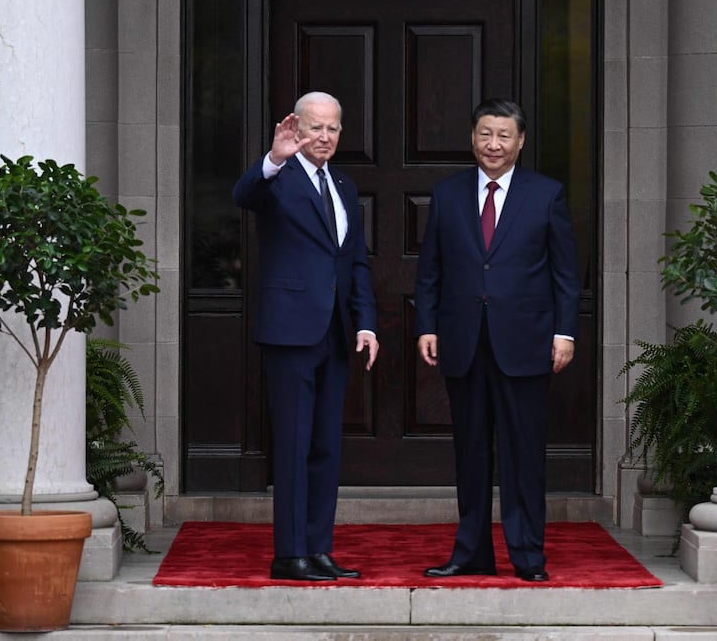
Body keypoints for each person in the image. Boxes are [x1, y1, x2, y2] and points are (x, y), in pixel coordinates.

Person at [414, 98, 580, 582]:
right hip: (463, 343)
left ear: (520, 141)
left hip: (526, 343)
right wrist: (427, 325)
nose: (493, 144)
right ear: (472, 137)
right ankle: (471, 552)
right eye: (485, 134)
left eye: (504, 136)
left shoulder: (546, 194)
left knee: (523, 454)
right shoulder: (447, 194)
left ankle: (527, 556)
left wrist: (564, 332)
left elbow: (565, 274)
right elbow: (431, 271)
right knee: (470, 453)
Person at [232, 91, 379, 581]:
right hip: (290, 331)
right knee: (293, 445)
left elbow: (354, 261)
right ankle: (288, 554)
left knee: (324, 447)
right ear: (297, 128)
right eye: (316, 127)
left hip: (335, 333)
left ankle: (318, 550)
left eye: (333, 128)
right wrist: (274, 157)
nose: (325, 137)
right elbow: (243, 194)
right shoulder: (279, 178)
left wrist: (365, 322)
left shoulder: (344, 184)